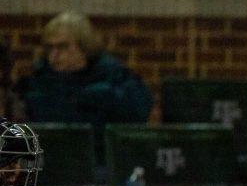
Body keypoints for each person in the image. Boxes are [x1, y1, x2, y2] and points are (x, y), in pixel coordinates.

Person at [16, 12, 153, 128]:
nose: (54, 55)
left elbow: (138, 112)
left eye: (63, 47)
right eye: (50, 48)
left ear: (84, 46)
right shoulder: (39, 81)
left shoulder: (114, 77)